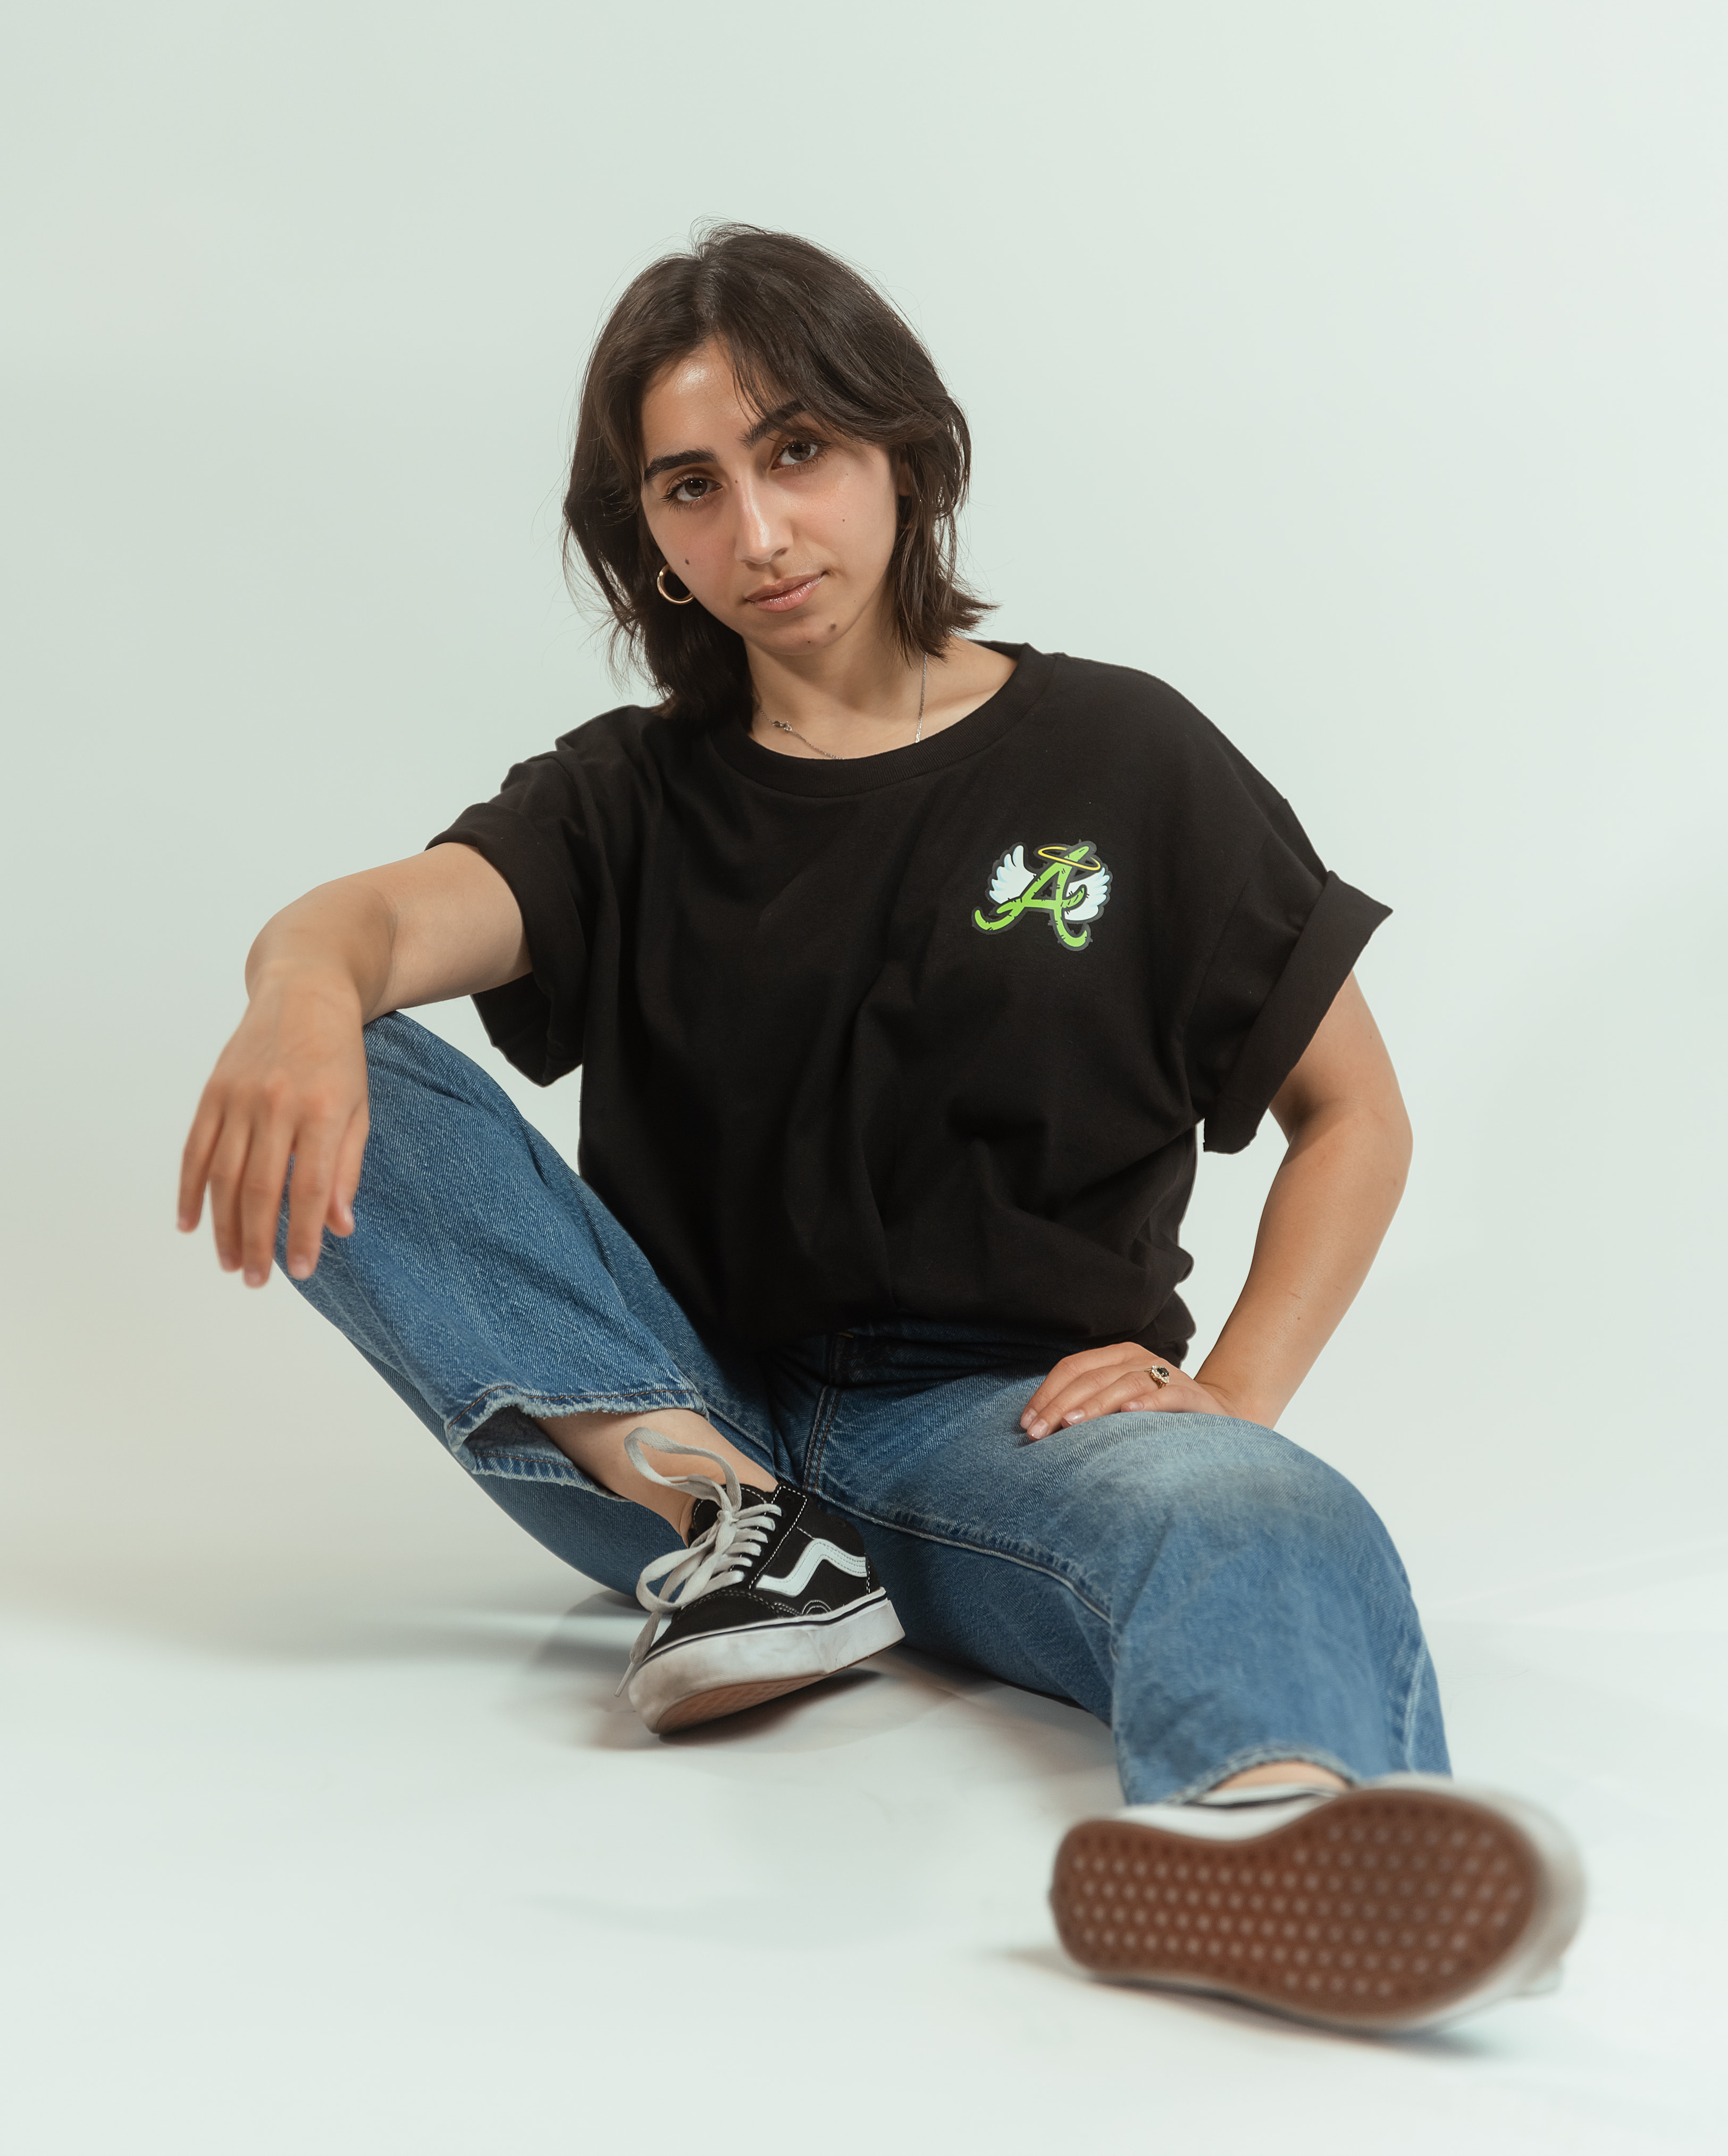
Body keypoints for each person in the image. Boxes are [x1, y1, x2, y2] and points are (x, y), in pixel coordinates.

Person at [177, 224, 1582, 2035]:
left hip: (993, 1426)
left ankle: (1268, 1827)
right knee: (347, 1055)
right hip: (670, 1432)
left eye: (797, 453)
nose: (757, 532)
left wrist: (1228, 1391)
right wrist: (296, 985)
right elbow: (359, 930)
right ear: (649, 541)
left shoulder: (1125, 759)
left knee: (1255, 1502)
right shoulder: (624, 796)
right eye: (691, 488)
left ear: (902, 455)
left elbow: (1352, 1115)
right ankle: (751, 1529)